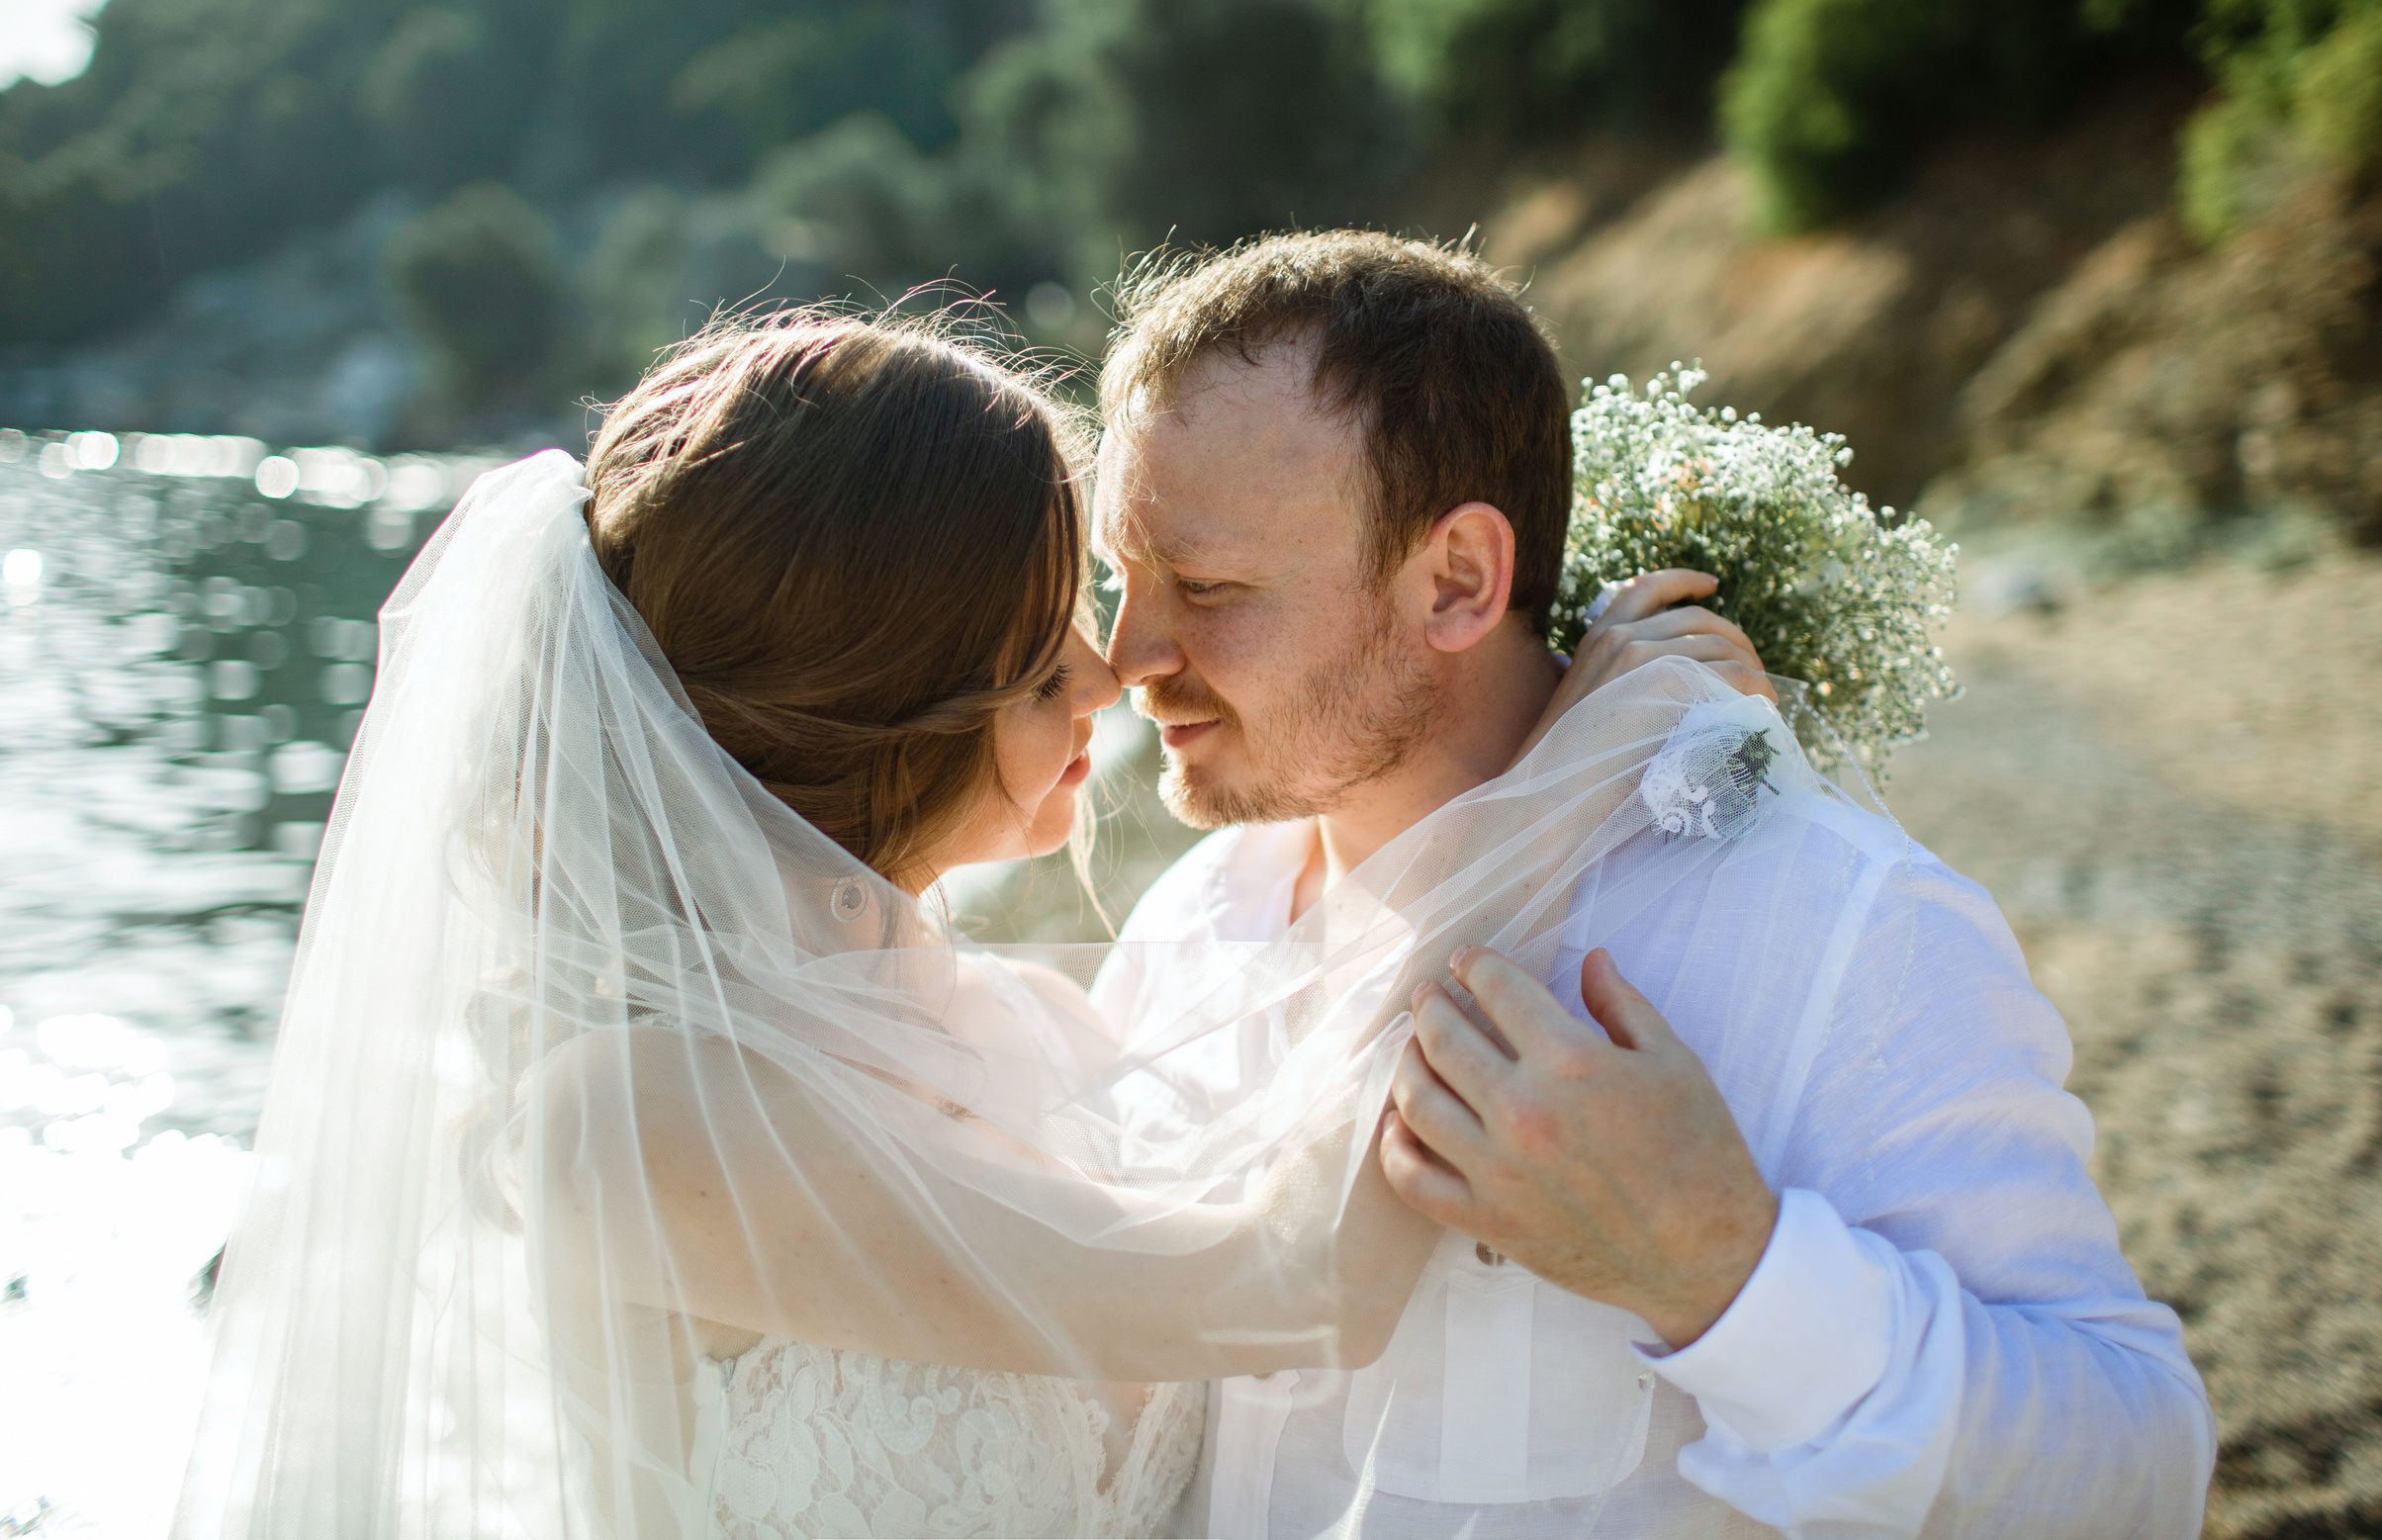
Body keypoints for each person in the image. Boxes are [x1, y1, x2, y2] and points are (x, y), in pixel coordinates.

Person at [174, 310, 1766, 1540]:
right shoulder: (631, 1114)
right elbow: (1295, 1284)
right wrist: (1566, 775)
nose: (1113, 675)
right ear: (879, 702)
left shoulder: (1027, 1021)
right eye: (1033, 645)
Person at [1087, 229, 2218, 1538]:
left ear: (1457, 581)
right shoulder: (1190, 928)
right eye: (1123, 577)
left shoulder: (1831, 921)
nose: (1128, 655)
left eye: (1209, 586)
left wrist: (1720, 1265)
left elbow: (2140, 1479)